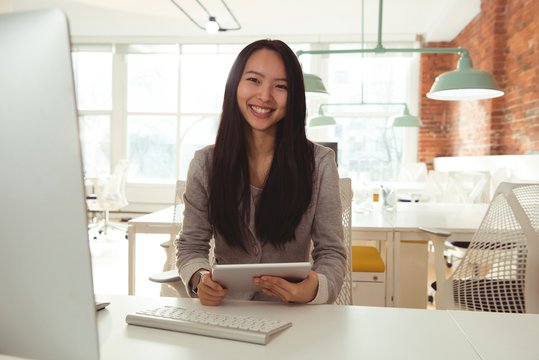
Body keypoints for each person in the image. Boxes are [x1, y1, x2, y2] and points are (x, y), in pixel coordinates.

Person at [176, 39, 346, 306]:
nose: (265, 96)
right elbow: (191, 247)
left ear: (295, 97)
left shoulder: (320, 163)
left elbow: (332, 254)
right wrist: (199, 279)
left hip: (293, 315)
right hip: (227, 312)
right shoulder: (205, 163)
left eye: (280, 86)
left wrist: (313, 288)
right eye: (254, 80)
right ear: (235, 85)